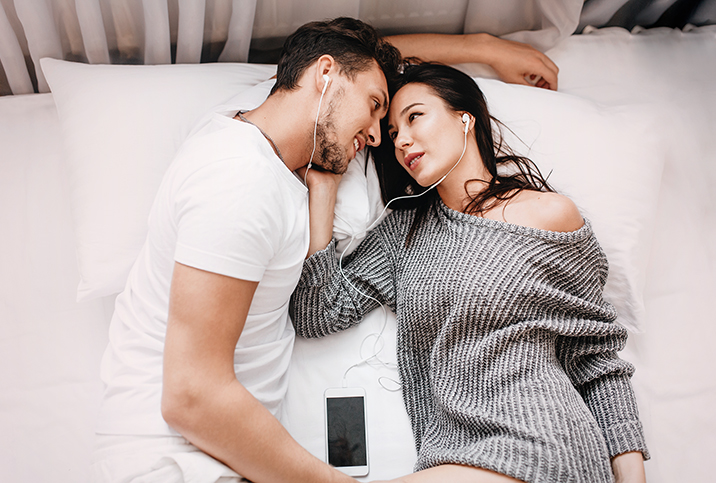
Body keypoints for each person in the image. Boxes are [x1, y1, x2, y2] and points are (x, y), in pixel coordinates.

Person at [91, 17, 562, 483]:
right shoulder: (238, 180)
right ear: (323, 74)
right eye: (378, 109)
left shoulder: (264, 137)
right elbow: (192, 396)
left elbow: (366, 58)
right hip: (177, 460)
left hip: (223, 452)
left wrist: (486, 48)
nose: (380, 137)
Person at [289, 62, 649, 483]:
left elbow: (595, 358)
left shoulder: (549, 216)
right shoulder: (403, 232)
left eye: (415, 117)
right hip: (451, 456)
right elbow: (316, 312)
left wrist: (631, 473)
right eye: (392, 134)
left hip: (545, 441)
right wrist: (325, 190)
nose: (402, 140)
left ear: (465, 117)